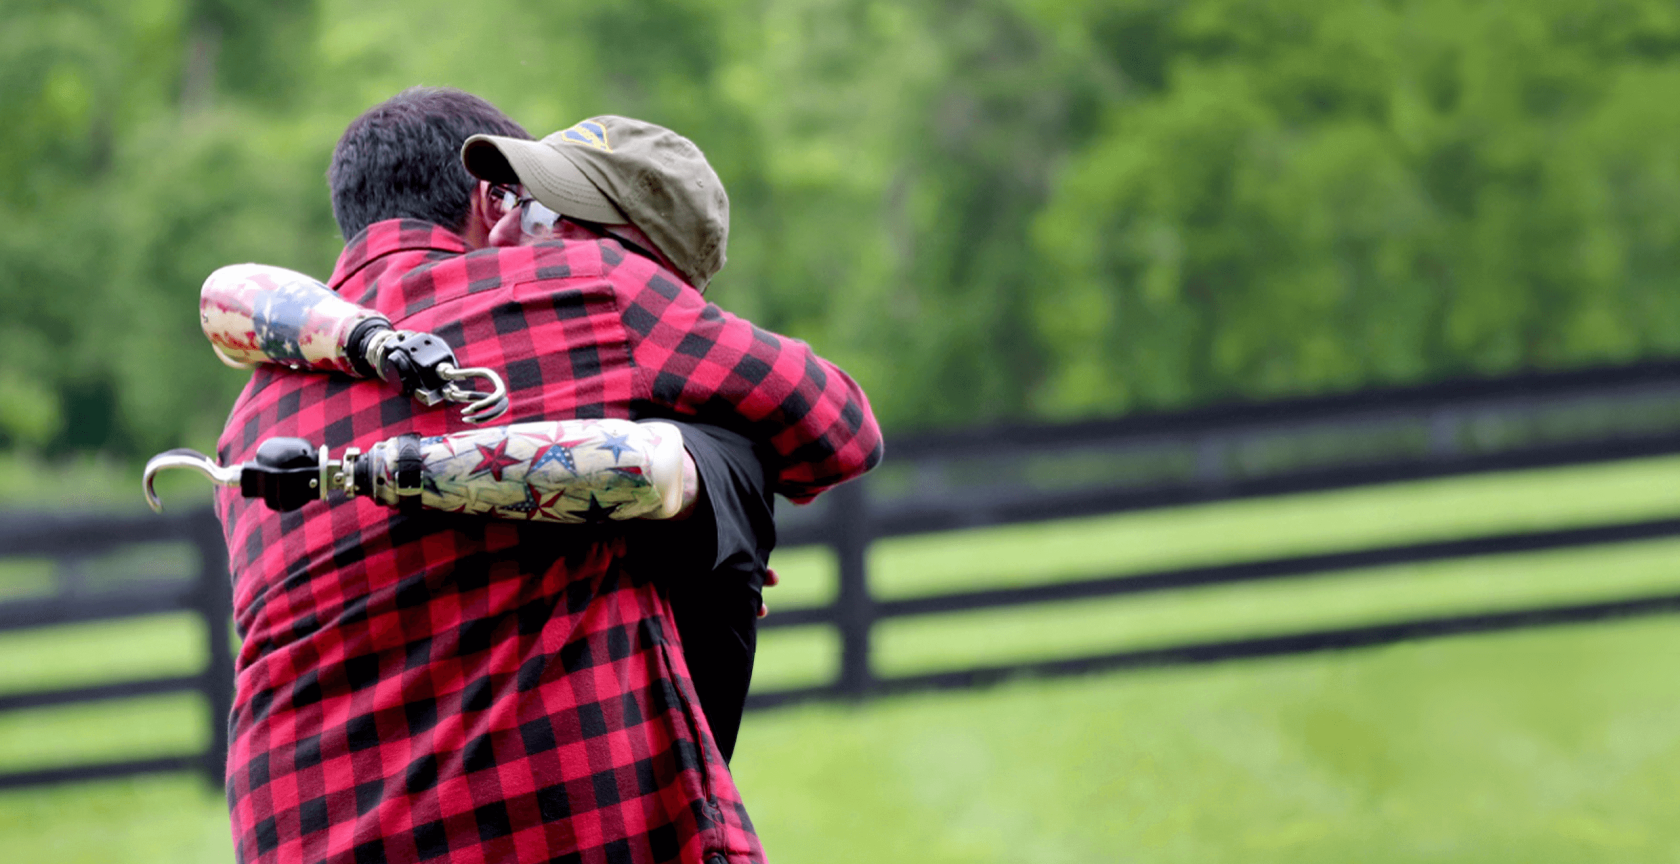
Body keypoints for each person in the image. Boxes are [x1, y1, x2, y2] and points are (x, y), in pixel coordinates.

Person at [215, 87, 881, 864]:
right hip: (565, 834)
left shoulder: (251, 414)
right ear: (487, 202)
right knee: (722, 463)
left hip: (299, 836)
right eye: (526, 205)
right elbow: (842, 428)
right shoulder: (584, 285)